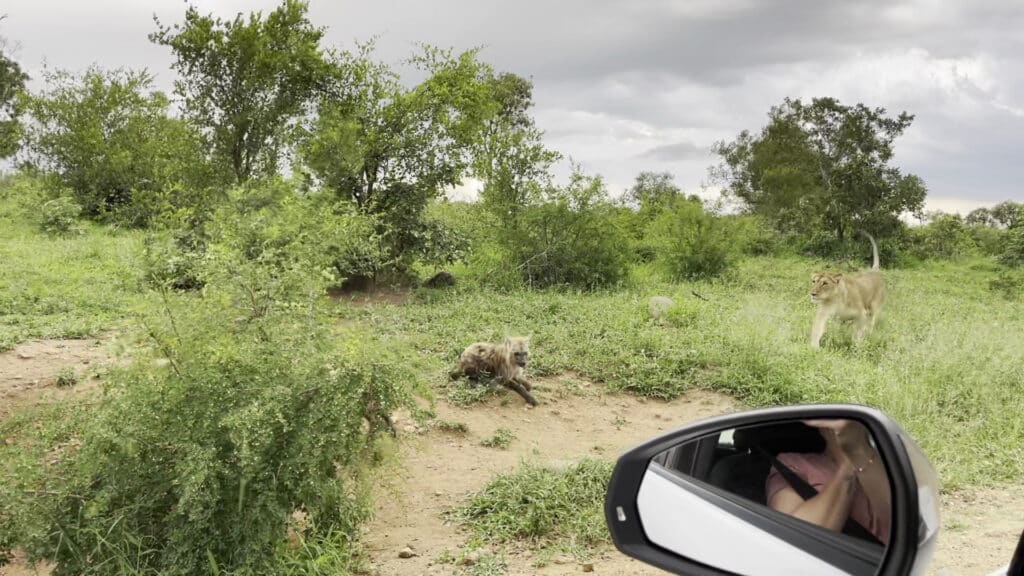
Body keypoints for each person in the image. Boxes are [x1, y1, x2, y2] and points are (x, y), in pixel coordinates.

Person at [765, 419, 892, 544]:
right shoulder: (792, 463)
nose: (845, 428)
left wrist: (859, 451)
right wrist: (848, 461)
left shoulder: (883, 463)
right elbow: (795, 537)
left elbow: (899, 522)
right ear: (822, 427)